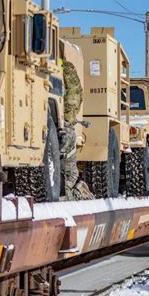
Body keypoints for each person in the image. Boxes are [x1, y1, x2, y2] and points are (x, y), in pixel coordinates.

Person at [61, 59, 93, 200]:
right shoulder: (76, 87)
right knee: (71, 171)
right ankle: (71, 192)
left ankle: (72, 192)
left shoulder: (73, 88)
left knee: (70, 171)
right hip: (68, 126)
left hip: (66, 127)